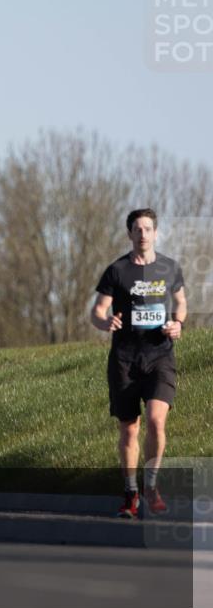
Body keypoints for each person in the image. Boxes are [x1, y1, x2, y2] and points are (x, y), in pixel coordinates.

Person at [91, 208, 186, 519]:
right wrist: (105, 323)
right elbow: (99, 309)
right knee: (129, 429)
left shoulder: (170, 268)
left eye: (148, 228)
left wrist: (178, 323)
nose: (143, 234)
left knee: (157, 421)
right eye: (137, 229)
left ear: (155, 233)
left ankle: (152, 485)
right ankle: (131, 492)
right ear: (129, 234)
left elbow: (181, 301)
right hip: (125, 359)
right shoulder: (117, 271)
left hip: (160, 354)